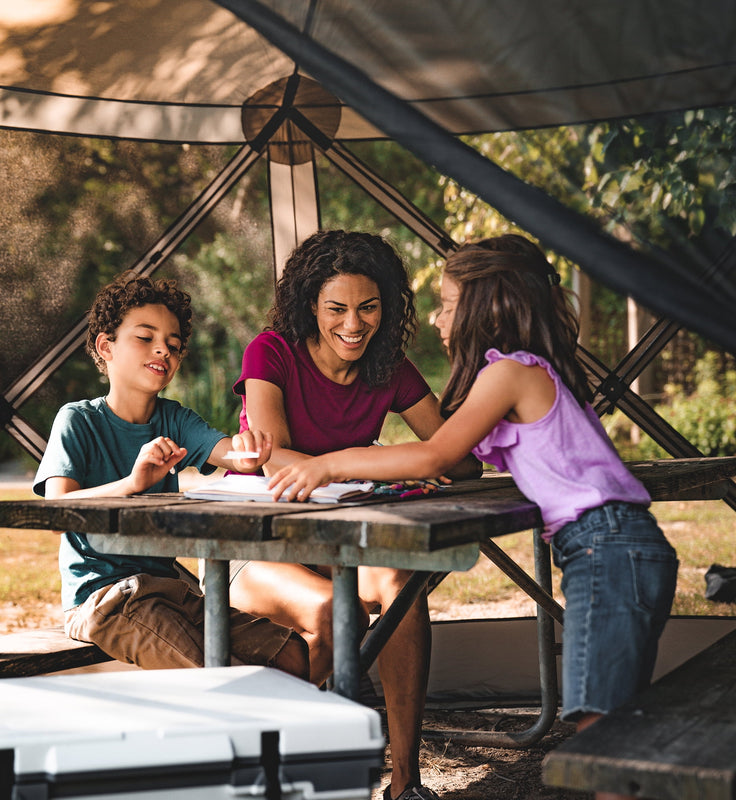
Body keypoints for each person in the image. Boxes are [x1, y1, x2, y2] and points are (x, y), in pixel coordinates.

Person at [268, 234, 680, 800]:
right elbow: (461, 458)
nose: (436, 319)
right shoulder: (529, 369)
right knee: (608, 712)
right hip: (618, 546)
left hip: (606, 548)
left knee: (597, 724)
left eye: (447, 304)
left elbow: (438, 454)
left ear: (486, 309)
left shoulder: (509, 372)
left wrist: (331, 464)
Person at [228, 229, 480, 800]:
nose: (354, 324)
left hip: (344, 540)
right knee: (335, 615)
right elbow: (274, 458)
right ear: (309, 306)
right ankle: (254, 753)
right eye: (336, 308)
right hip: (256, 540)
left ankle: (406, 785)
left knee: (401, 586)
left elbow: (459, 462)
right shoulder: (271, 352)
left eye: (368, 307)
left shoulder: (389, 365)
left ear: (386, 307)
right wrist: (374, 462)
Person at [33, 272, 309, 679]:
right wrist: (133, 483)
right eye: (146, 337)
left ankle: (284, 738)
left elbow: (230, 452)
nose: (164, 349)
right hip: (105, 600)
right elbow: (56, 511)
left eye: (174, 345)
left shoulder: (174, 418)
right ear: (105, 347)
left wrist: (250, 451)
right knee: (215, 674)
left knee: (292, 654)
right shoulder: (76, 420)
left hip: (174, 593)